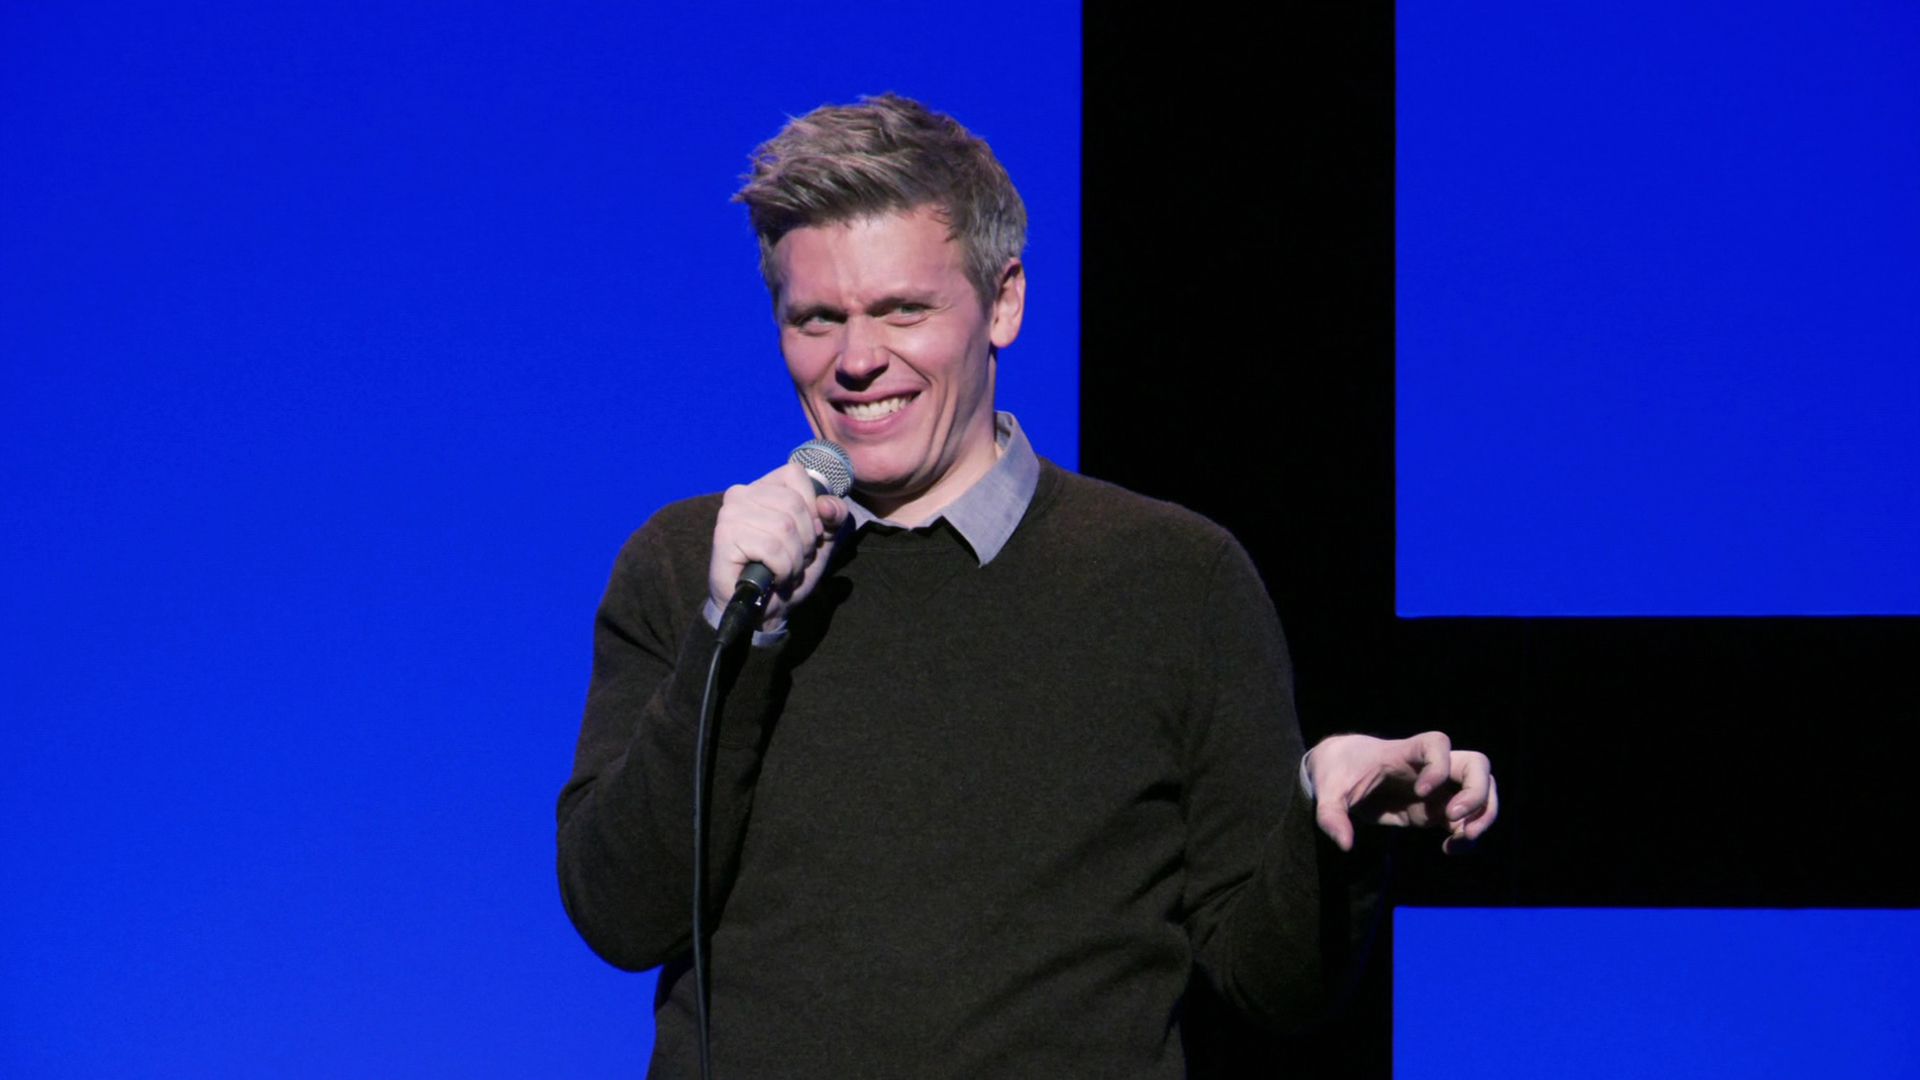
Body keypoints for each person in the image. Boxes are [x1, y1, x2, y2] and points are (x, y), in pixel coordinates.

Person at [557, 93, 1496, 1079]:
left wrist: (1332, 833)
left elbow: (1274, 984)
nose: (856, 360)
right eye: (816, 320)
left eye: (902, 310)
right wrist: (734, 629)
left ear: (1002, 302)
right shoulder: (692, 565)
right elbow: (620, 914)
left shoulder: (1175, 579)